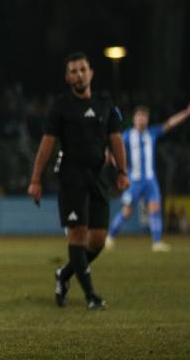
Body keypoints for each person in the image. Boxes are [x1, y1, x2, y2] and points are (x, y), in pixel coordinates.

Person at [27, 52, 129, 310]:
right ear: (67, 77)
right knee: (78, 235)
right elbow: (47, 144)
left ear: (91, 73)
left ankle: (64, 275)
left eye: (82, 69)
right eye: (73, 71)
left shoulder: (106, 104)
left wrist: (122, 172)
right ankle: (91, 296)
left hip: (98, 177)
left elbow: (116, 140)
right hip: (71, 178)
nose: (79, 74)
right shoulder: (61, 106)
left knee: (97, 241)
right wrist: (36, 179)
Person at [106, 100, 190, 252]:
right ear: (134, 119)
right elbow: (113, 154)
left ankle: (157, 242)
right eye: (139, 116)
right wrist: (120, 168)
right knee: (127, 211)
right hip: (134, 180)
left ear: (147, 120)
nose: (141, 119)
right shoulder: (127, 136)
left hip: (150, 181)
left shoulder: (152, 133)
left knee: (155, 210)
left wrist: (187, 112)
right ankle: (109, 238)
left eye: (144, 117)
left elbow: (170, 123)